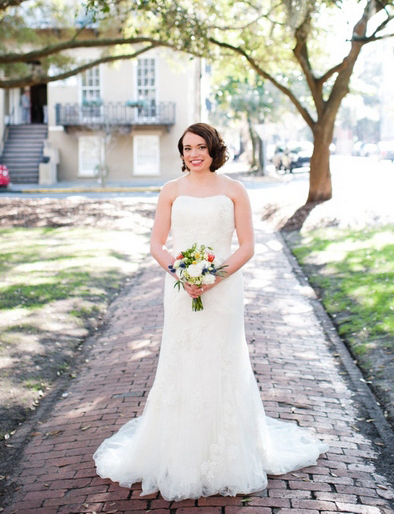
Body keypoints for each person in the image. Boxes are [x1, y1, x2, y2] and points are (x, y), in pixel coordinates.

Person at [93, 122, 328, 500]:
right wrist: (181, 274)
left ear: (214, 149)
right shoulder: (170, 190)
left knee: (223, 360)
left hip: (224, 291)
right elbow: (157, 243)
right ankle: (179, 451)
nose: (193, 154)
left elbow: (246, 246)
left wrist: (212, 276)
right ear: (182, 153)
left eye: (200, 147)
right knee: (182, 360)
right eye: (187, 148)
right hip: (180, 290)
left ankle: (227, 454)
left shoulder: (234, 189)